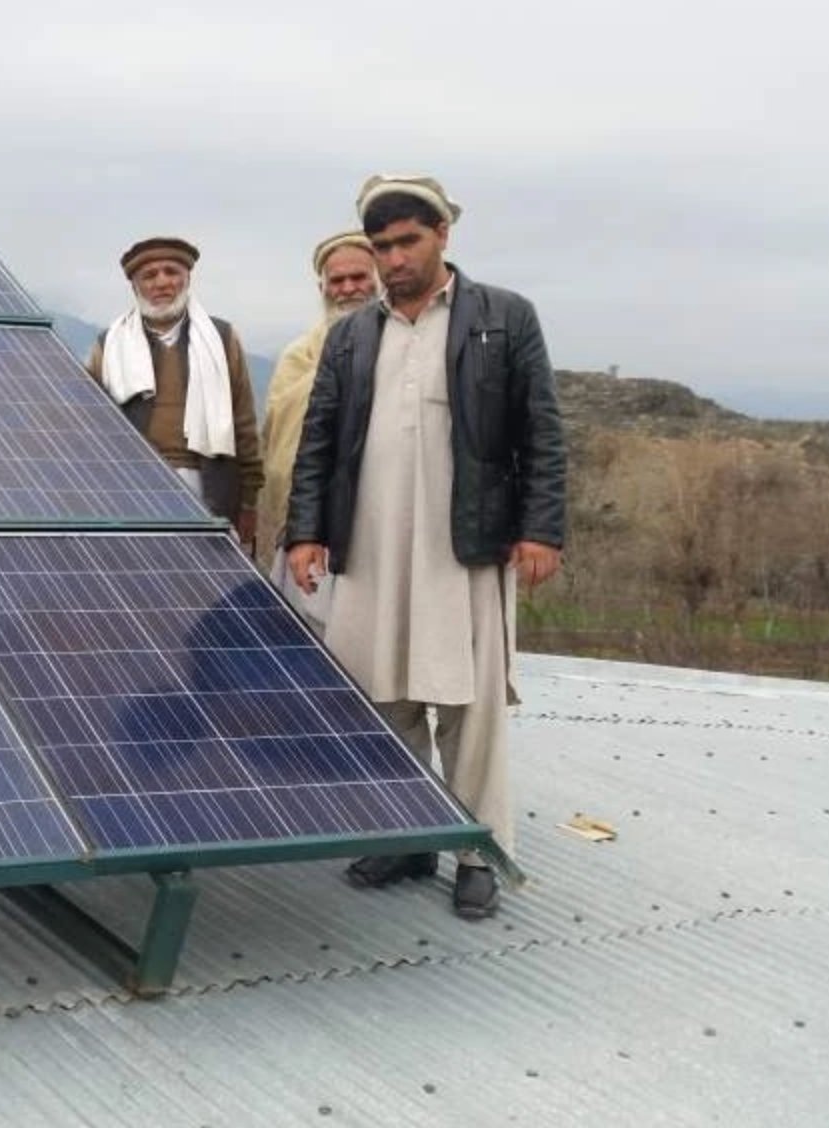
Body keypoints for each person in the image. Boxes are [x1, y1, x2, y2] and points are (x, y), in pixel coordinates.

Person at [285, 174, 566, 920]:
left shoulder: (503, 318)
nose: (393, 258)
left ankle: (478, 850)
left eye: (407, 241)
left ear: (443, 236)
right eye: (381, 246)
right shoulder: (352, 334)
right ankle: (409, 834)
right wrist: (305, 531)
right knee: (383, 696)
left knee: (467, 703)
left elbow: (541, 432)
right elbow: (319, 439)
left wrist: (541, 528)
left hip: (464, 545)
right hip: (371, 545)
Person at [86, 237, 262, 550]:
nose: (162, 282)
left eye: (171, 271)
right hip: (135, 486)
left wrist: (249, 500)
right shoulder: (109, 345)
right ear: (135, 286)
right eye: (149, 275)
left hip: (209, 482)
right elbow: (91, 427)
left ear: (187, 278)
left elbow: (243, 421)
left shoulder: (221, 338)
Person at [258, 230, 380, 629]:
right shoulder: (299, 356)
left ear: (379, 276)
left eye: (359, 277)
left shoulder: (406, 344)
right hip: (312, 524)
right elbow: (279, 445)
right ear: (323, 286)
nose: (349, 289)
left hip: (383, 521)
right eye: (337, 281)